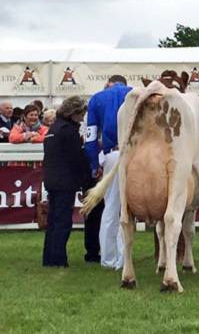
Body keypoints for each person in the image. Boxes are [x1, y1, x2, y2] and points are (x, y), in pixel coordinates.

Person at [84, 75, 132, 270]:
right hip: (136, 153)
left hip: (112, 154)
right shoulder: (135, 94)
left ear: (108, 84)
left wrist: (94, 164)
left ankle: (109, 259)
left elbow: (91, 137)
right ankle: (124, 257)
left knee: (111, 206)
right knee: (128, 208)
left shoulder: (97, 98)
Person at [42, 96, 89, 267]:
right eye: (82, 114)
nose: (83, 118)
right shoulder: (68, 131)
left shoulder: (53, 129)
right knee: (62, 221)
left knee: (53, 221)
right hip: (64, 181)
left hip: (52, 179)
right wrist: (85, 177)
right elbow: (76, 158)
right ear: (74, 113)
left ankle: (49, 258)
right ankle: (59, 259)